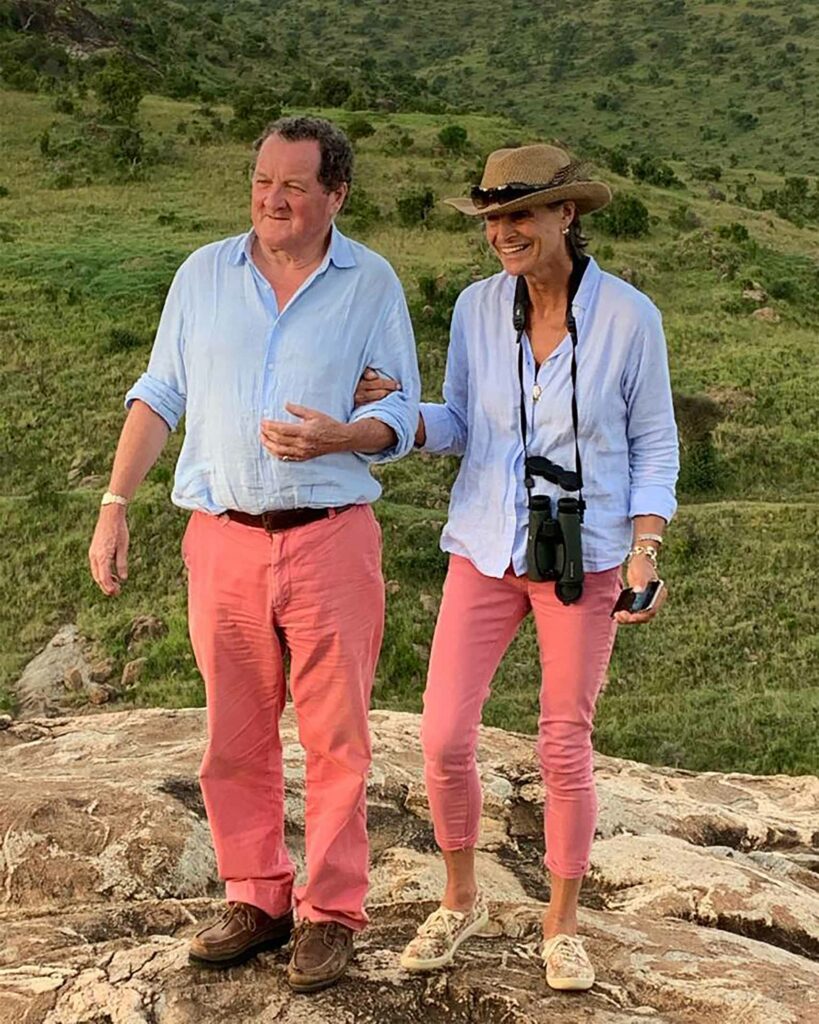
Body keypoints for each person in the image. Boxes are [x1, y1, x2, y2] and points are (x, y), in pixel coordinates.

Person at [88, 116, 420, 994]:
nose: (271, 199)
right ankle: (256, 896)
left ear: (335, 195)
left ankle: (331, 913)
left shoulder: (371, 282)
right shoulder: (203, 274)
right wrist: (115, 503)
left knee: (336, 738)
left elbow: (404, 412)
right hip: (223, 538)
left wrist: (343, 433)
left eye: (293, 186)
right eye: (260, 180)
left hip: (331, 537)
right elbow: (159, 393)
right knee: (234, 739)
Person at [355, 144, 678, 990]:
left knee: (563, 742)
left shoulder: (627, 318)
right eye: (493, 219)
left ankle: (561, 925)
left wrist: (646, 549)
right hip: (487, 544)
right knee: (443, 734)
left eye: (520, 215)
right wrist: (394, 418)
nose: (502, 233)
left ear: (565, 215)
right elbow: (460, 418)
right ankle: (460, 899)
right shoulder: (473, 309)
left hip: (585, 551)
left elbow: (654, 442)